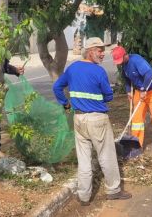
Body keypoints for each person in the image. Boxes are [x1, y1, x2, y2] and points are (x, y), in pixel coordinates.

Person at [53, 37, 131, 205]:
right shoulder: (98, 72)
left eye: (103, 50)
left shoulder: (72, 68)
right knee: (106, 155)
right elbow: (109, 96)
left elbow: (57, 87)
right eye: (99, 50)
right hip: (97, 120)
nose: (103, 54)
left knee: (83, 159)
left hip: (79, 119)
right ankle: (113, 190)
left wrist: (65, 103)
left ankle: (84, 196)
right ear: (90, 52)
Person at [111, 46, 152, 158]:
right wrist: (129, 91)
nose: (119, 63)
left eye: (120, 60)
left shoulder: (137, 60)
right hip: (140, 91)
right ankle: (135, 147)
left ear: (125, 55)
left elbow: (149, 74)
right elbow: (127, 79)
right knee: (137, 120)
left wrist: (144, 89)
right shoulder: (124, 65)